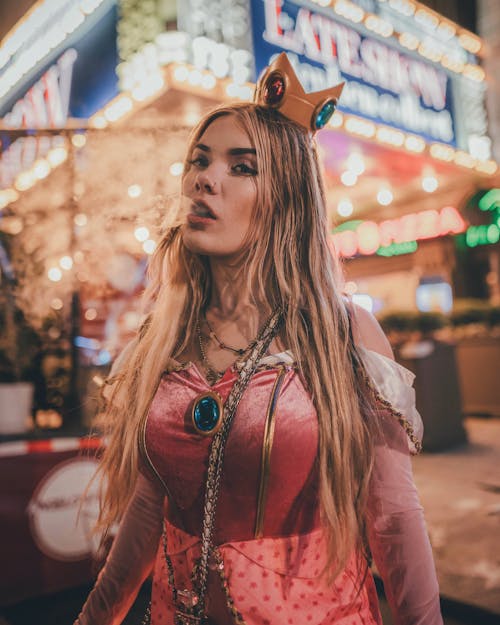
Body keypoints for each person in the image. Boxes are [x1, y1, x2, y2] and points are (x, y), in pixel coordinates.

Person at [75, 53, 443, 625]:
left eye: (241, 167)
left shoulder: (340, 334)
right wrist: (94, 617)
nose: (204, 178)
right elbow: (150, 509)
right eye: (199, 160)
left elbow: (393, 519)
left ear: (287, 200)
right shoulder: (160, 340)